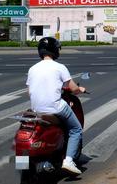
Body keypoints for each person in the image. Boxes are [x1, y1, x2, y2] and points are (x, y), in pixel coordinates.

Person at [26, 36, 86, 175]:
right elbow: (72, 88)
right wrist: (80, 89)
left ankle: (25, 165)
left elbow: (29, 92)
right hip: (55, 108)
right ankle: (69, 161)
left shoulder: (32, 68)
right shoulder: (59, 67)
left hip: (36, 110)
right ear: (55, 50)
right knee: (76, 129)